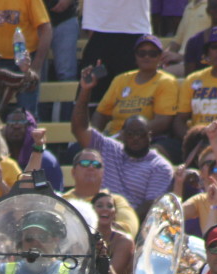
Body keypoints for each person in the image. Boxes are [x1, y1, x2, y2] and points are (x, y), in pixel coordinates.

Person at [73, 67, 174, 218]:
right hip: (95, 217)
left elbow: (150, 208)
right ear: (122, 135)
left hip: (130, 225)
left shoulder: (160, 166)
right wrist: (85, 90)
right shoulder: (108, 148)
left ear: (150, 136)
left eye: (141, 134)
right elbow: (79, 129)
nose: (135, 138)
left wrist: (114, 221)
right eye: (131, 134)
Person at [96, 34, 178, 137]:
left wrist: (129, 135)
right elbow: (101, 114)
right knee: (77, 148)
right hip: (113, 136)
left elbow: (163, 122)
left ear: (160, 57)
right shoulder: (121, 79)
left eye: (152, 53)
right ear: (135, 56)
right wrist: (95, 138)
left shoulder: (166, 81)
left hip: (147, 138)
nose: (147, 56)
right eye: (141, 53)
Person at [62, 149, 140, 238]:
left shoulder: (116, 200)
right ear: (73, 172)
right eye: (85, 163)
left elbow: (129, 229)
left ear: (103, 173)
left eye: (96, 165)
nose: (91, 167)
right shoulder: (62, 201)